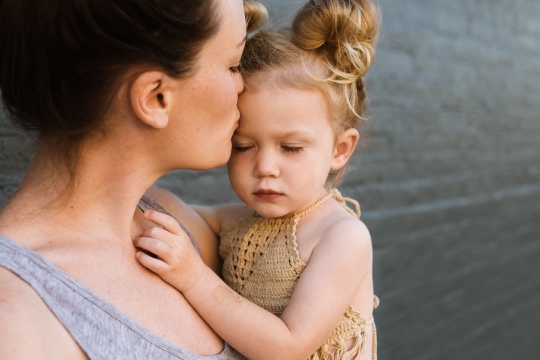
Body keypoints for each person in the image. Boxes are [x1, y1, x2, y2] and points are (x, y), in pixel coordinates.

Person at [0, 0, 267, 359]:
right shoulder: (16, 321)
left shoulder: (173, 224)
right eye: (233, 65)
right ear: (155, 97)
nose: (243, 85)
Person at [133, 0, 382, 359]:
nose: (265, 166)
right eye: (244, 145)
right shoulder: (237, 223)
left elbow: (287, 347)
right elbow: (171, 208)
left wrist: (193, 276)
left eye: (291, 148)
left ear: (340, 149)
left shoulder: (341, 238)